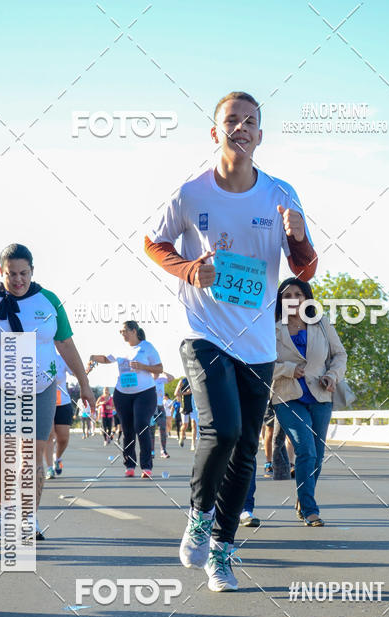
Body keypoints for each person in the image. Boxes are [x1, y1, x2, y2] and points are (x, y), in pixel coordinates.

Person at [146, 90, 316, 590]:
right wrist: (189, 269)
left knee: (244, 446)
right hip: (203, 331)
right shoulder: (191, 193)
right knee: (220, 432)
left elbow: (305, 270)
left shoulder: (281, 194)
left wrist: (300, 235)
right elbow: (154, 242)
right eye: (231, 121)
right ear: (215, 131)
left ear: (260, 135)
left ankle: (221, 549)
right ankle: (199, 515)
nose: (240, 128)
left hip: (258, 342)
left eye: (250, 122)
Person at [0, 243, 95, 539]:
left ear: (32, 272)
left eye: (24, 273)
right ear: (1, 272)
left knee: (33, 455)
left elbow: (66, 345)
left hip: (41, 388)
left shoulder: (49, 301)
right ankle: (3, 508)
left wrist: (84, 384)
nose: (18, 280)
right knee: (3, 453)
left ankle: (28, 517)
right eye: (12, 274)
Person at [271, 278, 346, 526]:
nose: (293, 299)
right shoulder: (271, 328)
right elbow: (261, 364)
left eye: (298, 294)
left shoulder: (321, 324)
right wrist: (288, 369)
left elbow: (339, 355)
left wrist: (332, 375)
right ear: (281, 300)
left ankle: (304, 498)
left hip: (321, 396)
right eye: (287, 295)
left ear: (306, 299)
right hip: (287, 396)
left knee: (318, 453)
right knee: (306, 449)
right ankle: (310, 510)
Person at [88, 320, 162, 478]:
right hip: (122, 394)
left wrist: (143, 367)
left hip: (145, 393)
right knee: (127, 430)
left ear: (134, 331)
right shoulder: (120, 348)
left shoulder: (146, 347)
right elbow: (107, 359)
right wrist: (93, 357)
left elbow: (159, 368)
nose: (122, 334)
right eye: (121, 332)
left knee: (141, 425)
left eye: (125, 331)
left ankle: (146, 466)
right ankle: (129, 465)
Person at [45, 352, 74, 479]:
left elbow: (76, 372)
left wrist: (87, 369)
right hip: (45, 402)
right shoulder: (38, 356)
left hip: (63, 402)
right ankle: (49, 468)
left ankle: (57, 457)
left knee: (63, 438)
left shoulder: (62, 358)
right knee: (49, 435)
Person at [151, 374, 170, 458]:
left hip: (160, 407)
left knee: (162, 429)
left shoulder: (161, 379)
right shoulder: (148, 379)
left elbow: (171, 378)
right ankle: (151, 451)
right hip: (151, 407)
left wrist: (163, 371)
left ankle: (163, 451)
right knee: (151, 430)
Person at [175, 375, 194, 448]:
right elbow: (176, 393)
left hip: (193, 405)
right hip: (184, 406)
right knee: (185, 425)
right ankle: (181, 437)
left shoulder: (195, 379)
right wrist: (186, 393)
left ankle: (193, 444)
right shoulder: (183, 381)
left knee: (194, 424)